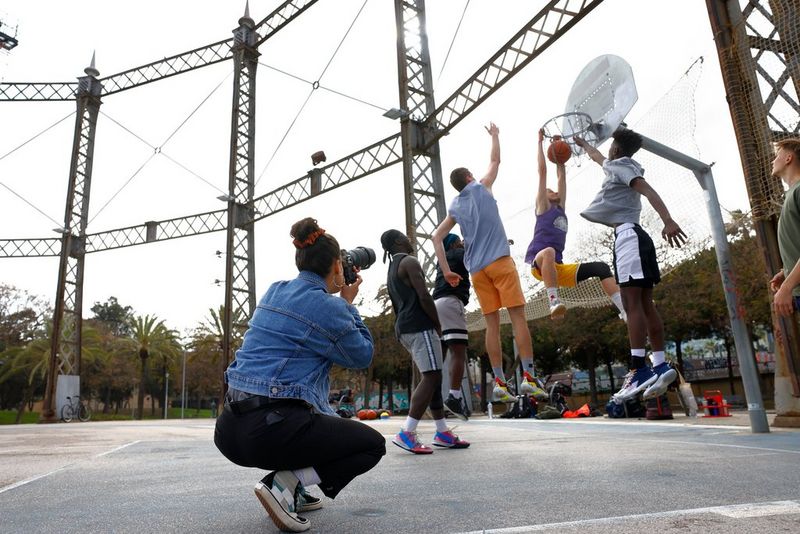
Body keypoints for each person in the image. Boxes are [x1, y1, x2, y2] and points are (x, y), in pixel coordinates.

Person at [214, 217, 385, 533]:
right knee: (371, 445)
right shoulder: (331, 308)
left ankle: (295, 490)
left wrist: (336, 299)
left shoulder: (274, 291)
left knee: (305, 419)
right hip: (269, 430)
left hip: (228, 430)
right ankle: (283, 485)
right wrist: (347, 304)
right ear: (337, 266)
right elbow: (362, 355)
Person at [432, 122, 548, 404]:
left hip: (477, 270)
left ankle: (499, 382)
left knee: (492, 326)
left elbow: (436, 236)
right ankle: (529, 378)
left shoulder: (456, 207)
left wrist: (447, 271)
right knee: (518, 318)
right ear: (470, 176)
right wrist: (495, 135)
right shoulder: (482, 187)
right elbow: (496, 160)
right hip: (499, 260)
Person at [575, 131, 684, 403]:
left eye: (610, 145)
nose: (607, 151)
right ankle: (658, 363)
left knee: (631, 303)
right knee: (646, 304)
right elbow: (597, 157)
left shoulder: (622, 167)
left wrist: (668, 220)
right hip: (636, 237)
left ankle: (638, 368)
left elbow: (647, 190)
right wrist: (584, 144)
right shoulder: (618, 166)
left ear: (616, 148)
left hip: (628, 238)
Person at [381, 229, 470, 454]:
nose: (409, 240)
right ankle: (407, 432)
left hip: (404, 327)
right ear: (398, 242)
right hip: (419, 325)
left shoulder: (392, 268)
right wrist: (438, 323)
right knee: (431, 377)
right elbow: (423, 295)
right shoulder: (409, 262)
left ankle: (442, 432)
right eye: (405, 237)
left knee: (433, 376)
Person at [526, 128, 627, 321]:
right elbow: (542, 172)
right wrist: (540, 143)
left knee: (601, 268)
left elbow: (561, 176)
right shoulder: (543, 207)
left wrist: (557, 151)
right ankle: (553, 301)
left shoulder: (560, 208)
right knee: (548, 251)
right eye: (549, 190)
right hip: (539, 263)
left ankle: (624, 310)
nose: (553, 191)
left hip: (557, 268)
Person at [432, 232, 471, 420]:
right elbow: (478, 250)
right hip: (450, 302)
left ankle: (434, 394)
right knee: (459, 352)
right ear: (455, 244)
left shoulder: (443, 260)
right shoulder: (458, 254)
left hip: (436, 305)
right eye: (459, 242)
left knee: (441, 355)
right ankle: (454, 396)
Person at [770, 138, 800, 317]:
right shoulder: (792, 194)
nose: (773, 161)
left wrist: (787, 286)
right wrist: (787, 272)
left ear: (788, 158)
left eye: (777, 156)